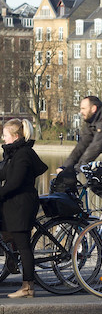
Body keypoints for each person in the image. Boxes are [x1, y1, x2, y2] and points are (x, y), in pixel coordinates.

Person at [0, 119, 48, 298]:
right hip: (15, 203)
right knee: (15, 241)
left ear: (15, 136)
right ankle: (11, 259)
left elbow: (14, 183)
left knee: (24, 247)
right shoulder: (15, 153)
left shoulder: (23, 155)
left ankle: (28, 287)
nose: (3, 139)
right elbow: (4, 173)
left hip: (21, 205)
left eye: (5, 135)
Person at [57, 96, 102, 173]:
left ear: (93, 109)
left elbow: (96, 147)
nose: (81, 112)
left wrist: (76, 170)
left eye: (83, 109)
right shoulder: (91, 123)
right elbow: (81, 146)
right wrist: (65, 167)